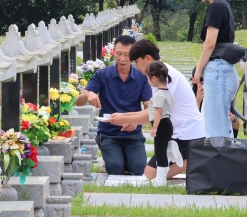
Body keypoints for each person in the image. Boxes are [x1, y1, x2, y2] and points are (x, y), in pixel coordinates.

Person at [108, 39, 205, 180]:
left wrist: (124, 118)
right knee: (150, 172)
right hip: (177, 133)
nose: (136, 67)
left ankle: (196, 158)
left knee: (152, 175)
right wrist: (127, 116)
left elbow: (155, 113)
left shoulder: (166, 76)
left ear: (148, 58)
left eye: (136, 62)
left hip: (187, 134)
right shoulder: (159, 75)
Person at [76, 35, 152, 175]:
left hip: (133, 134)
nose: (122, 59)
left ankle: (126, 160)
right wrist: (88, 94)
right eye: (118, 54)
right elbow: (78, 102)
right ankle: (114, 159)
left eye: (127, 54)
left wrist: (136, 122)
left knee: (139, 168)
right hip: (109, 134)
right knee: (115, 168)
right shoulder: (102, 75)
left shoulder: (141, 77)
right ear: (113, 53)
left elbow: (149, 108)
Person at [190, 0, 239, 138]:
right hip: (225, 69)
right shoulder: (223, 5)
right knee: (222, 125)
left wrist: (199, 68)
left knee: (215, 130)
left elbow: (210, 43)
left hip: (218, 69)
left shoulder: (216, 7)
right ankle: (227, 164)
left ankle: (220, 165)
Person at [145, 61, 175, 186]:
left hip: (162, 124)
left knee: (159, 152)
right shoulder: (168, 93)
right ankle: (161, 177)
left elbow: (159, 111)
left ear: (154, 78)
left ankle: (161, 179)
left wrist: (154, 128)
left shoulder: (158, 95)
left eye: (148, 78)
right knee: (163, 152)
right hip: (168, 124)